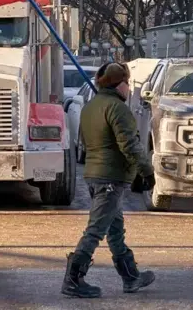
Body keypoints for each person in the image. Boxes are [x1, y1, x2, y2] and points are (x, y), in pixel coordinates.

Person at [61, 62, 156, 298]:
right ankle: (73, 279)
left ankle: (131, 277)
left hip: (95, 174)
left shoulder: (91, 107)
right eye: (127, 82)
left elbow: (85, 141)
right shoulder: (117, 108)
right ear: (119, 84)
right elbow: (129, 144)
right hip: (110, 177)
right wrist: (146, 171)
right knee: (96, 230)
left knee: (115, 230)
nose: (129, 88)